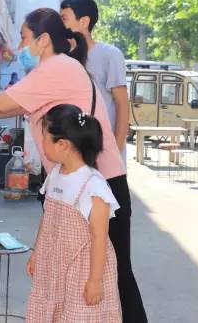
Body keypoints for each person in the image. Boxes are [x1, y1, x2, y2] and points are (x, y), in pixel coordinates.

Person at [0, 8, 148, 322]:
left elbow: (4, 102)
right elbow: (6, 106)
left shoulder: (58, 67)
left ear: (43, 40)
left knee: (111, 275)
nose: (20, 45)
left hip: (96, 183)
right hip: (71, 182)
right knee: (76, 274)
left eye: (25, 37)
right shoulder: (51, 69)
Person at [26, 104, 121, 322]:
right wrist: (37, 252)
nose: (41, 144)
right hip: (55, 265)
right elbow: (47, 218)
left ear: (62, 145)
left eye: (44, 138)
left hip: (82, 270)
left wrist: (95, 281)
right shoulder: (55, 174)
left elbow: (100, 238)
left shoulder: (93, 186)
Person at [61, 0, 129, 163]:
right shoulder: (62, 59)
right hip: (70, 151)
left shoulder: (110, 55)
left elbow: (122, 104)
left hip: (103, 151)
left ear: (84, 22)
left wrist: (116, 151)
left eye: (64, 19)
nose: (60, 25)